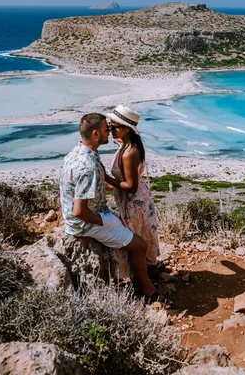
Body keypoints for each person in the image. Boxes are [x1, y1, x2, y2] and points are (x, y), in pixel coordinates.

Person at [60, 112, 167, 305]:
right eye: (106, 128)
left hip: (92, 214)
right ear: (95, 134)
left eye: (112, 127)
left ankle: (141, 272)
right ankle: (146, 289)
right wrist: (104, 221)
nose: (109, 131)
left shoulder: (77, 152)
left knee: (132, 232)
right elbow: (79, 211)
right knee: (139, 245)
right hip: (86, 221)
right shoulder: (88, 166)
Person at [106, 105, 160, 282]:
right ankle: (147, 271)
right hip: (137, 200)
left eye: (115, 127)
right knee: (141, 235)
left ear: (127, 129)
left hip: (133, 203)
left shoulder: (129, 152)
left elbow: (131, 186)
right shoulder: (128, 145)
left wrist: (105, 177)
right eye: (110, 125)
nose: (110, 129)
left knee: (133, 240)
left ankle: (140, 278)